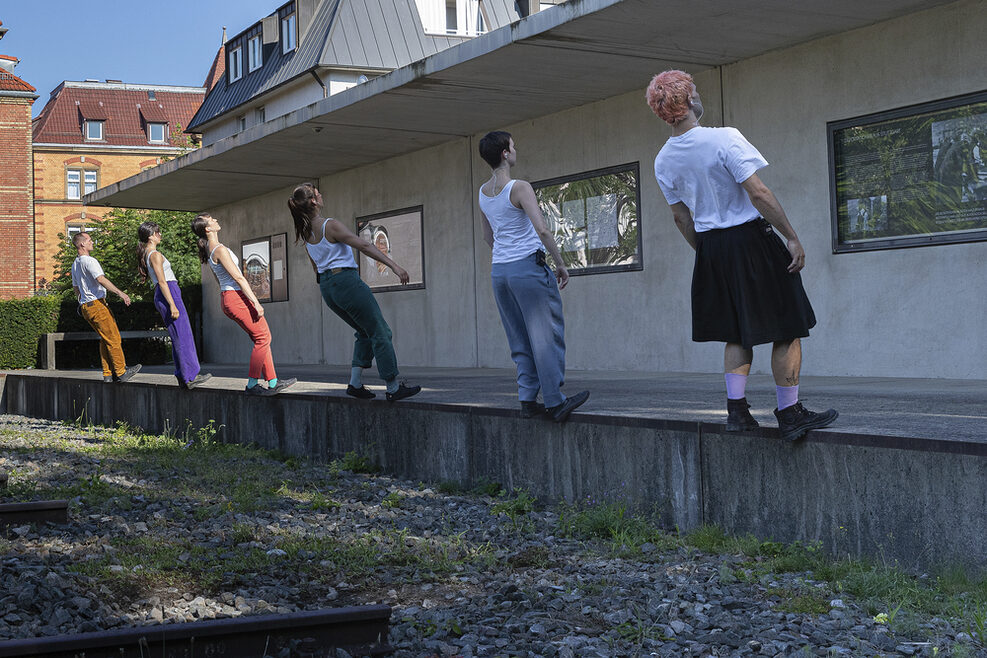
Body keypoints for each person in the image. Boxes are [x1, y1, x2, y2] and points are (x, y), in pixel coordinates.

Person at [646, 70, 837, 441]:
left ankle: (737, 412)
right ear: (686, 102)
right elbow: (759, 193)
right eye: (695, 92)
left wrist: (707, 254)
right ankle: (790, 411)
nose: (699, 96)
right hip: (750, 239)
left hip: (711, 247)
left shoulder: (662, 160)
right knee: (789, 324)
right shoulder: (724, 139)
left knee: (736, 331)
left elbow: (680, 216)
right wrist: (792, 237)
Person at [476, 131, 590, 423]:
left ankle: (528, 399)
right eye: (512, 146)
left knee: (519, 337)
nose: (515, 150)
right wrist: (560, 263)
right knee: (545, 335)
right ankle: (554, 401)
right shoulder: (519, 187)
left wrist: (507, 255)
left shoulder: (483, 193)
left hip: (499, 272)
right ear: (504, 153)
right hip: (527, 268)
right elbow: (542, 230)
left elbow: (488, 236)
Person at [287, 183, 420, 402]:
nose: (321, 196)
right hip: (345, 281)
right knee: (381, 331)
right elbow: (364, 246)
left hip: (328, 288)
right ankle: (393, 386)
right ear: (313, 201)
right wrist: (395, 266)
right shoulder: (329, 225)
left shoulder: (305, 232)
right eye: (318, 194)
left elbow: (315, 268)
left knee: (364, 331)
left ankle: (355, 383)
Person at [191, 213, 296, 395]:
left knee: (260, 339)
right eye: (212, 220)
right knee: (263, 338)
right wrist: (256, 302)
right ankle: (252, 384)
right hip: (236, 297)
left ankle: (273, 382)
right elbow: (239, 277)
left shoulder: (212, 251)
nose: (216, 220)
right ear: (208, 228)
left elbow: (219, 281)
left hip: (229, 298)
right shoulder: (219, 250)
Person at [136, 222, 211, 390]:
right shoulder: (154, 254)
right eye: (157, 232)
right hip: (169, 292)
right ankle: (189, 376)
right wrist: (172, 304)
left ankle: (182, 375)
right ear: (151, 236)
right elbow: (162, 281)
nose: (160, 235)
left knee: (179, 334)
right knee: (182, 334)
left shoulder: (148, 253)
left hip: (167, 292)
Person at [70, 232, 141, 383]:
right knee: (114, 338)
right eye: (89, 240)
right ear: (82, 244)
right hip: (97, 304)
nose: (92, 242)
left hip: (86, 307)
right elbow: (101, 279)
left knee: (105, 339)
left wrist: (82, 301)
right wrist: (120, 293)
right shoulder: (90, 261)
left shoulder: (75, 264)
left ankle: (108, 374)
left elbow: (76, 288)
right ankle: (121, 372)